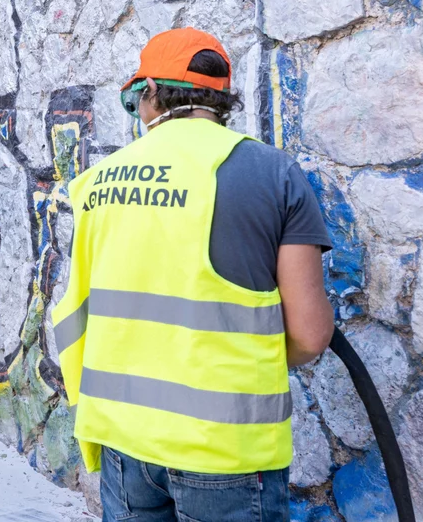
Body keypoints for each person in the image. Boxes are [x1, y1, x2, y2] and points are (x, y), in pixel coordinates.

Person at [52, 28, 335, 522]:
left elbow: (81, 308)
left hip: (123, 440)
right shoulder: (273, 173)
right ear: (220, 101)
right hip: (224, 448)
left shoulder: (96, 181)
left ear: (152, 95)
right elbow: (310, 337)